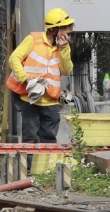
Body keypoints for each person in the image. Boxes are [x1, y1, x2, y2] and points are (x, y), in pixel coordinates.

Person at [5, 8, 75, 143]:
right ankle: (30, 165)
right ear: (55, 30)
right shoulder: (33, 40)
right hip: (30, 99)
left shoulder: (64, 47)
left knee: (49, 140)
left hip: (51, 102)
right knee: (30, 139)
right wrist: (25, 78)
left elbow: (66, 70)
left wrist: (64, 48)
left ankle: (46, 165)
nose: (69, 33)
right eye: (66, 29)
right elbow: (14, 58)